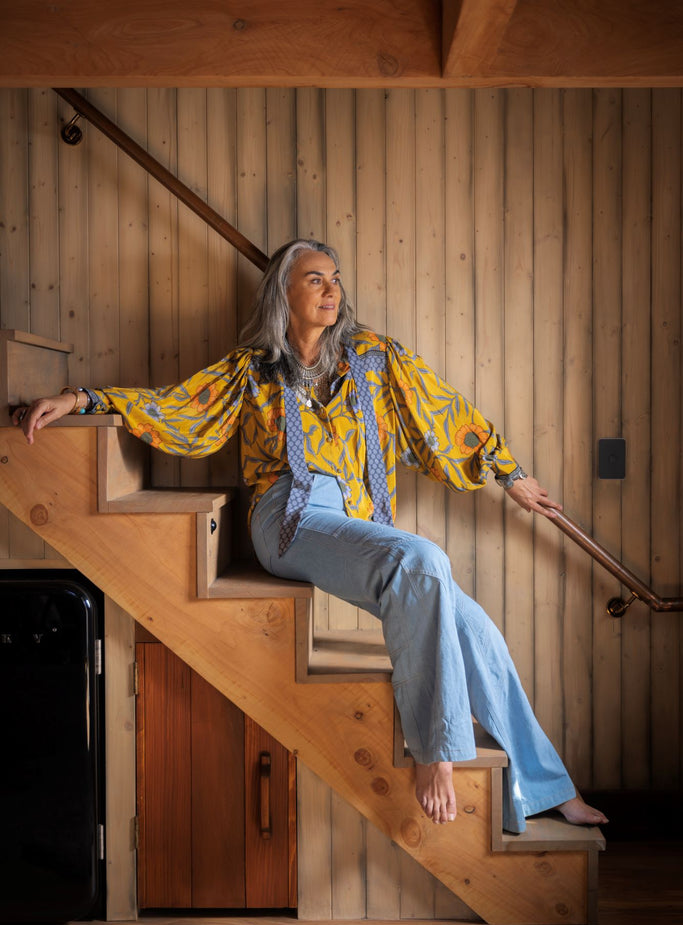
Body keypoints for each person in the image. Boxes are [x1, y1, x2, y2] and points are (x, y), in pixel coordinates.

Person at [14, 237, 607, 833]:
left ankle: (547, 786)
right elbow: (179, 408)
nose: (332, 290)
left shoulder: (376, 356)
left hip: (354, 519)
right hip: (287, 517)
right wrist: (83, 398)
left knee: (470, 624)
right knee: (421, 558)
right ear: (284, 293)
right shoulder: (254, 368)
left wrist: (511, 474)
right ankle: (437, 752)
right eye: (316, 279)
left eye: (336, 279)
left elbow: (442, 412)